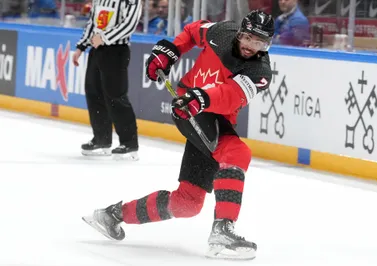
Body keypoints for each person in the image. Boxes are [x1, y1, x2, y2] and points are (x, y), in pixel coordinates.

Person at [82, 10, 274, 260]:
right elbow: (194, 30)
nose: (251, 46)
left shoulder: (260, 72)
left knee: (187, 204)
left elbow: (231, 95)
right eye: (248, 38)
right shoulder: (221, 32)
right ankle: (223, 230)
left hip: (212, 113)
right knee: (237, 151)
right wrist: (171, 50)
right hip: (187, 107)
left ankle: (112, 215)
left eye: (260, 42)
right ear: (240, 32)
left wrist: (202, 98)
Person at [73, 0, 142, 160]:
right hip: (97, 50)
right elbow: (93, 22)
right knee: (93, 93)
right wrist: (81, 47)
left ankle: (129, 143)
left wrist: (104, 37)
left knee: (116, 96)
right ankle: (101, 138)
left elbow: (130, 24)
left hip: (116, 51)